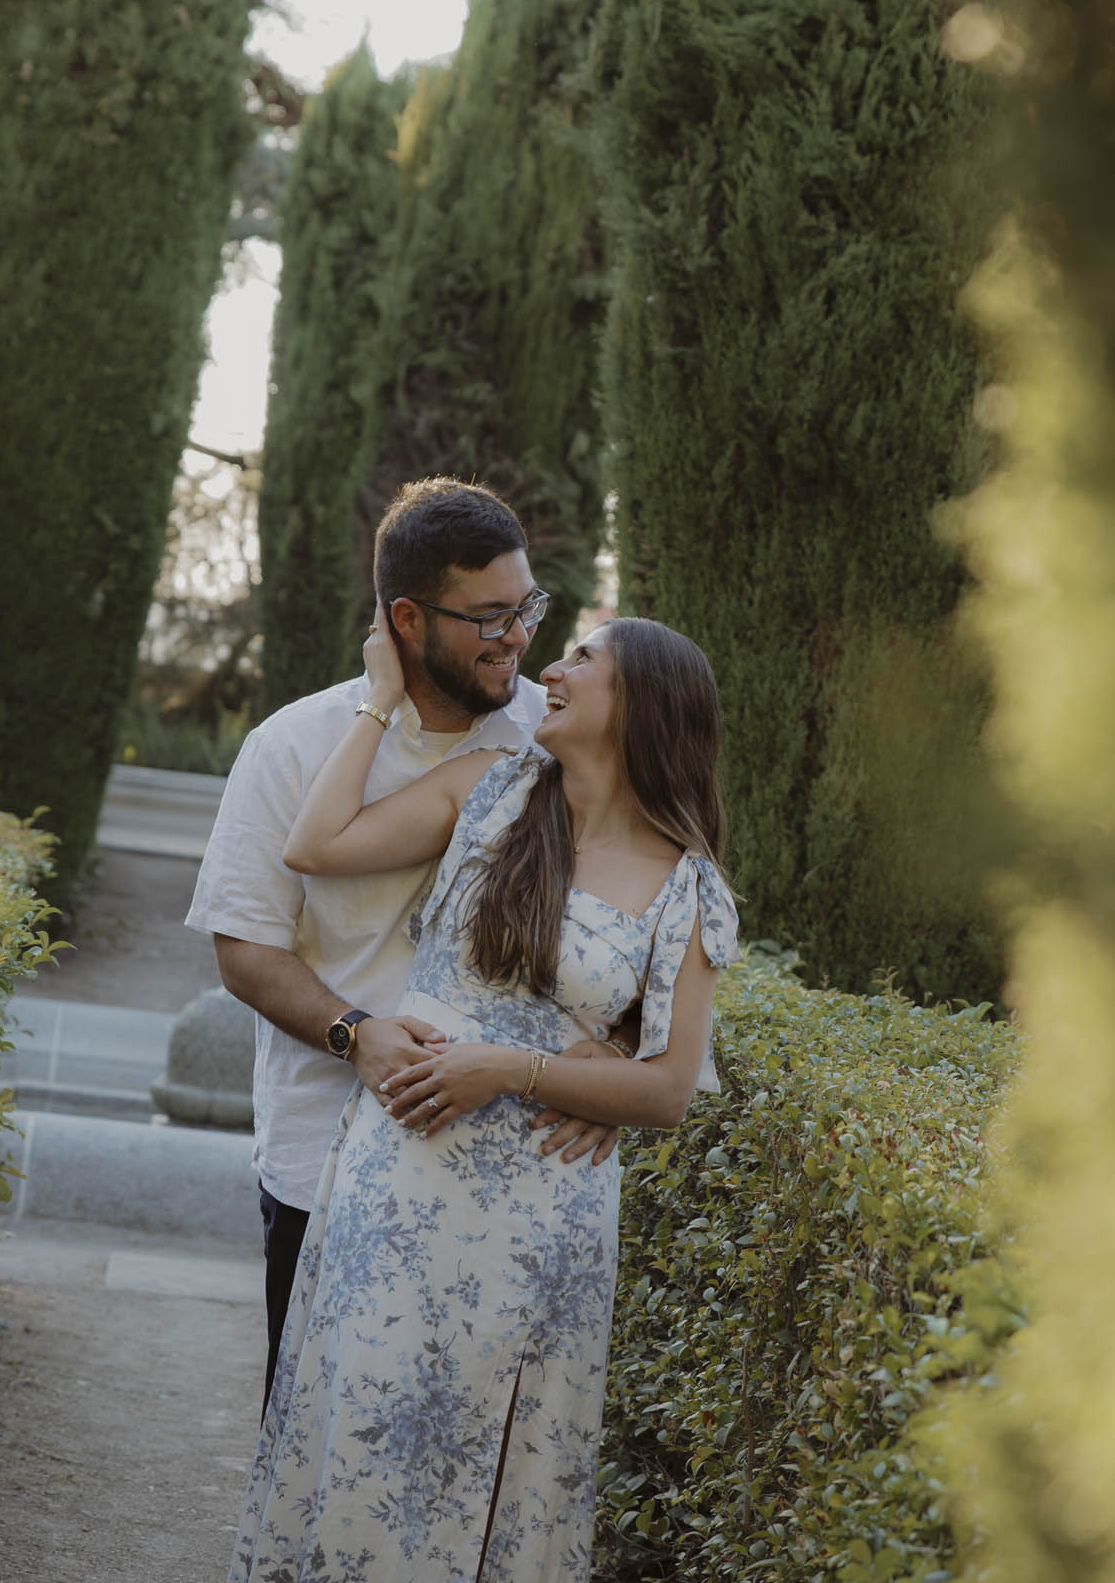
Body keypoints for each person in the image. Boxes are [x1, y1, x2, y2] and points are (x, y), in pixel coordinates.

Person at [227, 608, 738, 1583]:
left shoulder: (689, 889)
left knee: (491, 1474)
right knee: (366, 1444)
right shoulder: (491, 789)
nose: (552, 665)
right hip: (402, 1178)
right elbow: (316, 842)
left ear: (644, 703)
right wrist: (380, 699)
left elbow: (668, 1087)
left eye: (583, 657)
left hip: (544, 1217)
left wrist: (514, 1070)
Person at [185, 478, 626, 1410]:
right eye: (491, 616)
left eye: (528, 607)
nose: (518, 638)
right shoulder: (291, 747)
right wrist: (358, 1033)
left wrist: (613, 1058)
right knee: (313, 1437)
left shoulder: (549, 746)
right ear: (407, 619)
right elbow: (245, 949)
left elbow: (629, 922)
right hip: (327, 1160)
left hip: (504, 1169)